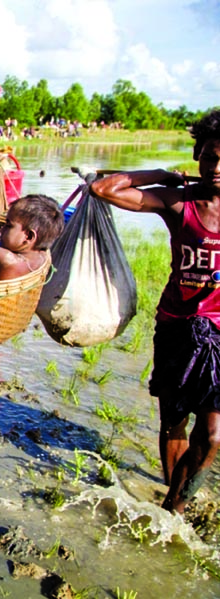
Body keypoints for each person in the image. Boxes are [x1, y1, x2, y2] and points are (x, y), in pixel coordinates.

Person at [91, 110, 220, 515]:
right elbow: (103, 188)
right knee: (174, 422)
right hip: (177, 327)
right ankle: (173, 490)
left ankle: (172, 509)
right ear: (198, 154)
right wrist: (160, 174)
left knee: (214, 435)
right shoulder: (180, 201)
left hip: (218, 333)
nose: (216, 168)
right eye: (210, 157)